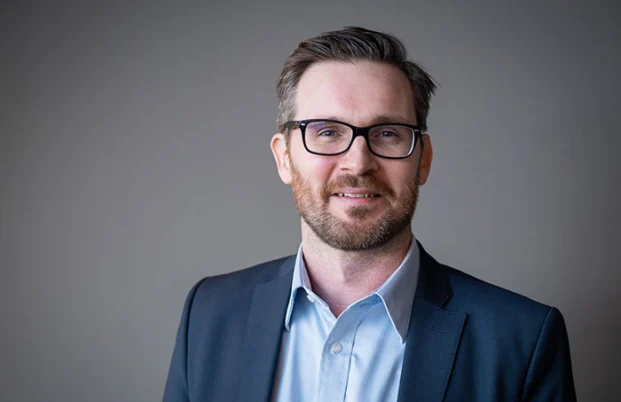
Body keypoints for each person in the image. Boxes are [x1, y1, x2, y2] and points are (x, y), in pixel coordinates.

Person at [163, 27, 577, 402]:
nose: (358, 163)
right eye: (327, 131)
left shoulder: (522, 340)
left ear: (423, 159)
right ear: (284, 158)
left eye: (388, 134)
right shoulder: (209, 313)